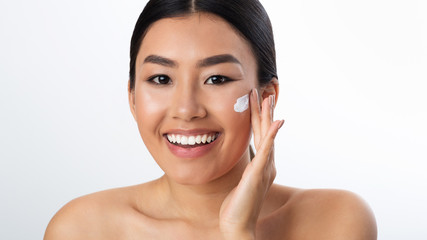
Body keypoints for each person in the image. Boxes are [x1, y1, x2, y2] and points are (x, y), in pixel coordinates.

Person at [44, 0, 377, 239]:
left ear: (266, 97)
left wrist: (238, 231)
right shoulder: (82, 229)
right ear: (132, 97)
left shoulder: (335, 221)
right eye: (161, 79)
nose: (186, 109)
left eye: (216, 79)